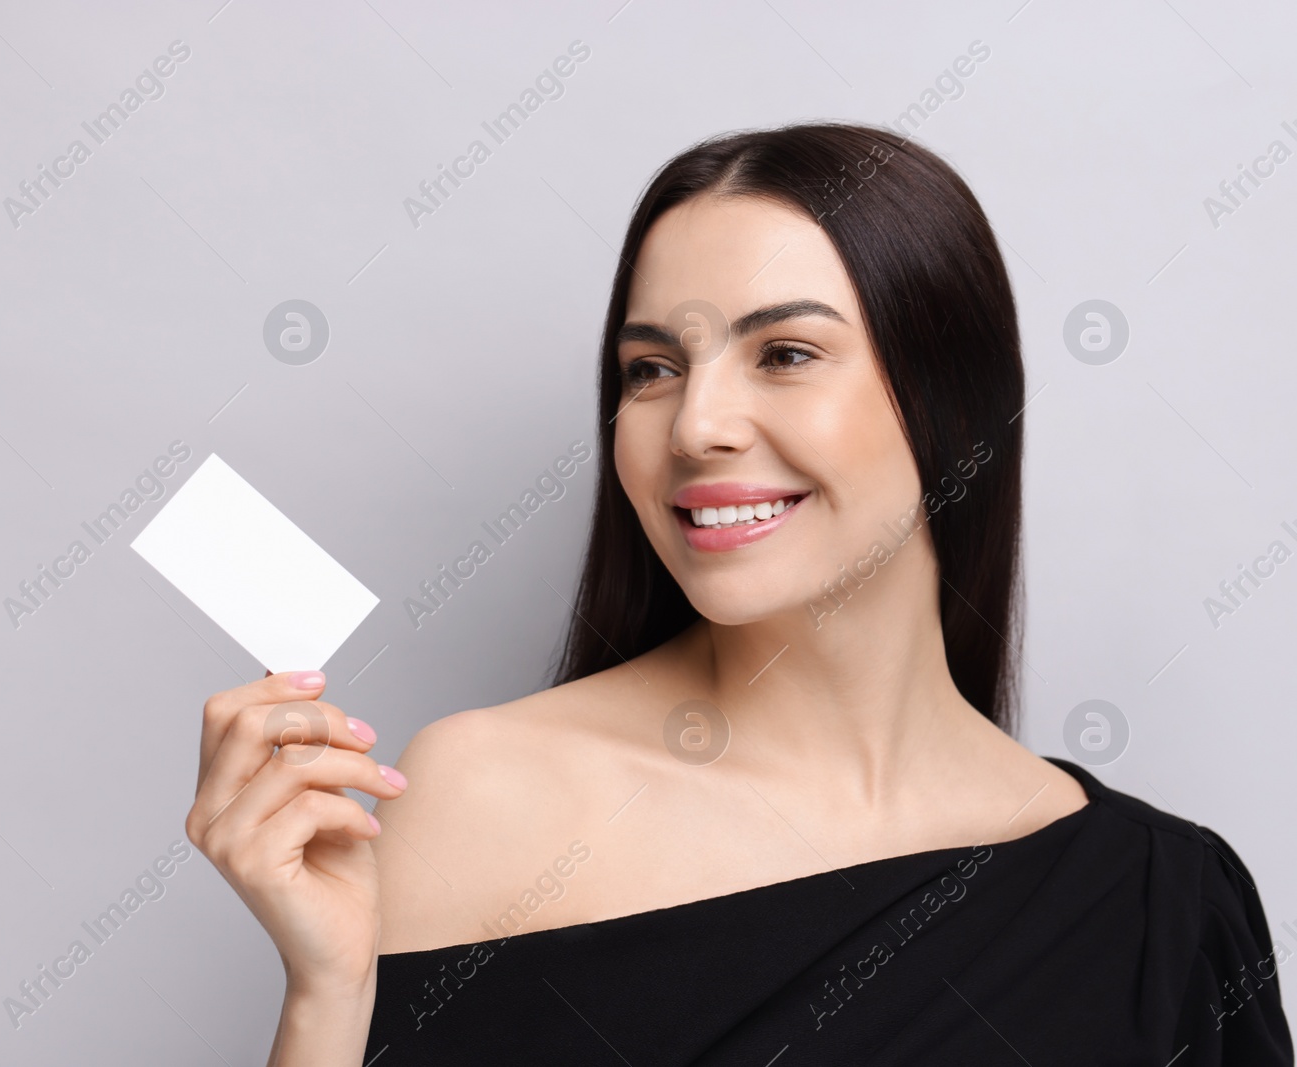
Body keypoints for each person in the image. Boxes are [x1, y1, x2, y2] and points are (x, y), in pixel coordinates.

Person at [185, 123, 1294, 1065]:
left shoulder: (1162, 905)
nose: (694, 424)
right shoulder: (484, 795)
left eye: (786, 354)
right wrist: (324, 1000)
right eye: (651, 368)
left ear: (951, 402)